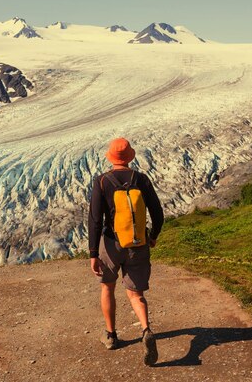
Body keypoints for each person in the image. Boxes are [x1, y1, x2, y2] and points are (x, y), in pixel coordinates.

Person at [88, 137, 164, 366]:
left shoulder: (102, 181)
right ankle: (146, 329)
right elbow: (157, 213)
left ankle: (111, 336)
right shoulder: (141, 179)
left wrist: (93, 253)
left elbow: (94, 220)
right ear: (130, 157)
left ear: (111, 158)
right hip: (138, 243)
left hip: (111, 244)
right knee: (136, 294)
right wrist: (152, 237)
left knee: (107, 287)